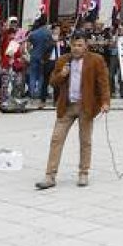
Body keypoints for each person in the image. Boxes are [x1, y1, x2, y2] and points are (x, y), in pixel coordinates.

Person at [36, 33, 111, 190]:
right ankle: (50, 175)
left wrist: (105, 102)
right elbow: (52, 82)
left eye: (79, 45)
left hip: (86, 106)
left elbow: (103, 83)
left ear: (86, 46)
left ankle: (83, 172)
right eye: (74, 45)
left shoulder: (96, 60)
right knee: (56, 139)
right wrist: (62, 74)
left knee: (85, 140)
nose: (76, 48)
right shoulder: (63, 60)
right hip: (67, 106)